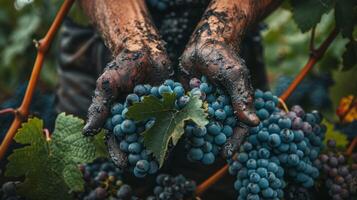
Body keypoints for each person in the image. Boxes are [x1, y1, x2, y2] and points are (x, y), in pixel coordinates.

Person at [56, 0, 280, 198]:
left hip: (224, 63)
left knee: (218, 186)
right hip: (100, 40)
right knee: (94, 181)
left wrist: (219, 31)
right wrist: (133, 42)